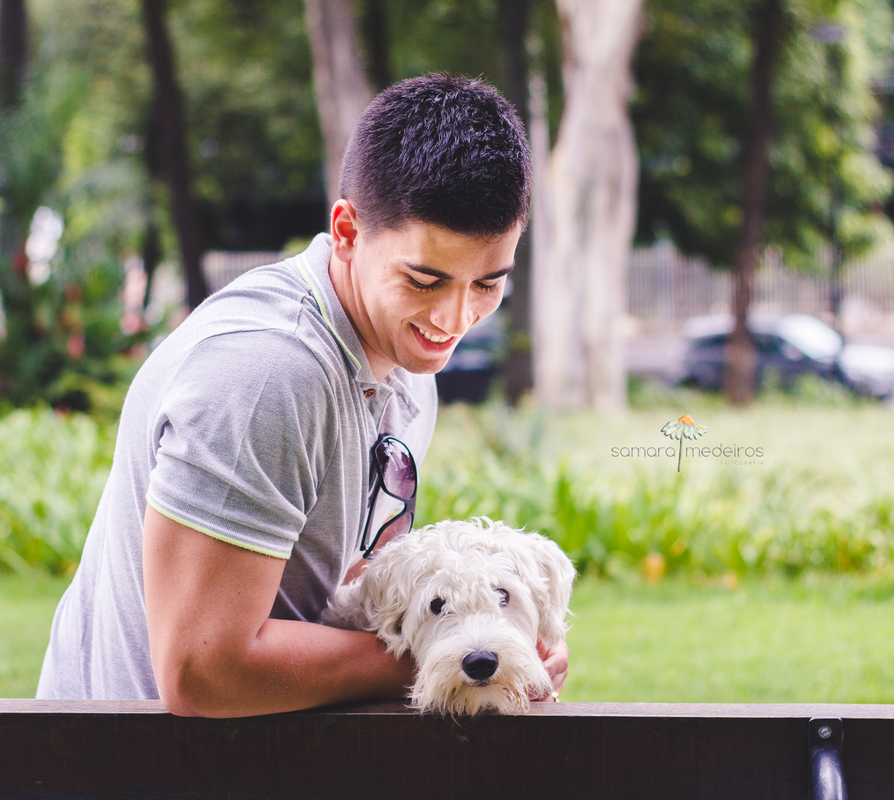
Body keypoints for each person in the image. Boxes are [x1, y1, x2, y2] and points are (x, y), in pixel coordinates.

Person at [35, 73, 569, 717]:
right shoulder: (266, 374)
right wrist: (457, 654)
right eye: (425, 280)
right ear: (346, 231)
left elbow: (340, 594)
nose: (455, 320)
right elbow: (203, 669)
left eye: (487, 283)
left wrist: (498, 640)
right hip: (125, 770)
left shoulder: (404, 367)